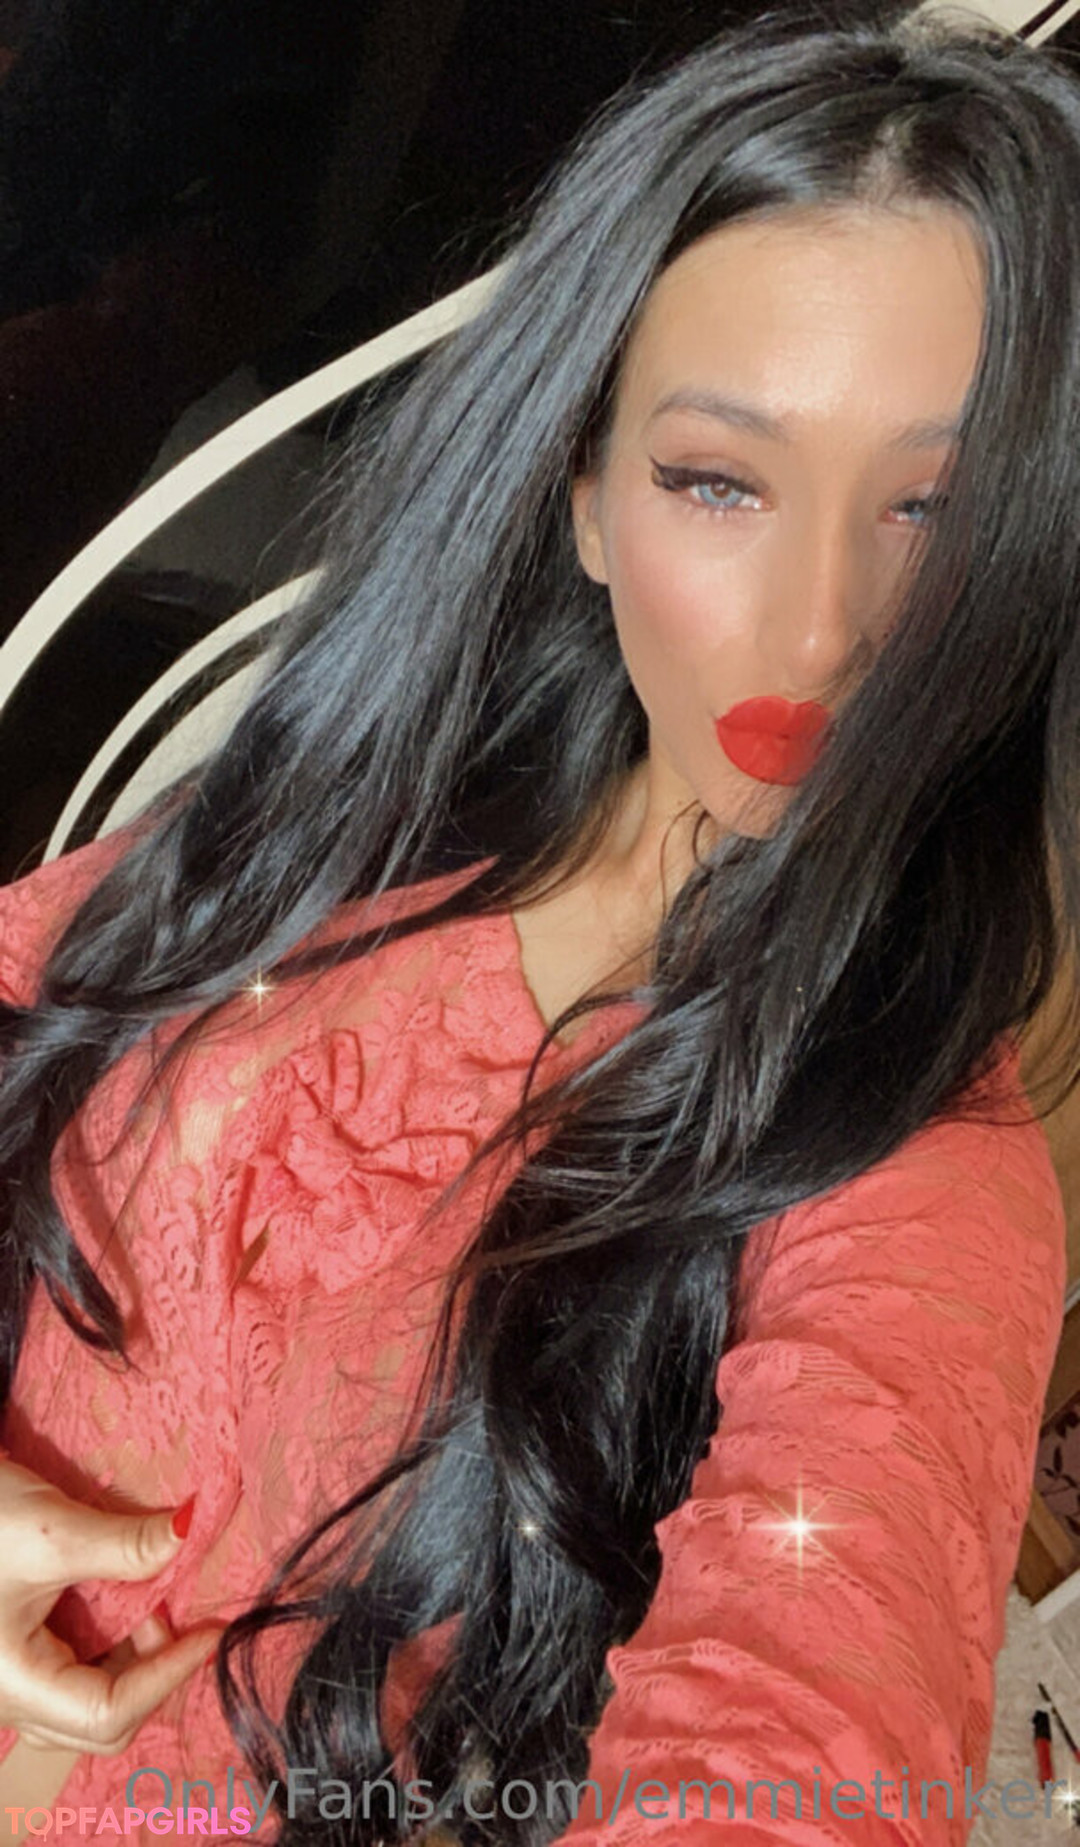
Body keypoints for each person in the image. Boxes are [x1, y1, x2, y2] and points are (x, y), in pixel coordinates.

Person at [0, 6, 1076, 1842]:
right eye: (718, 480)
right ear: (585, 496)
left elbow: (797, 1724)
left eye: (936, 511)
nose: (820, 628)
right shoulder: (345, 808)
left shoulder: (911, 1168)